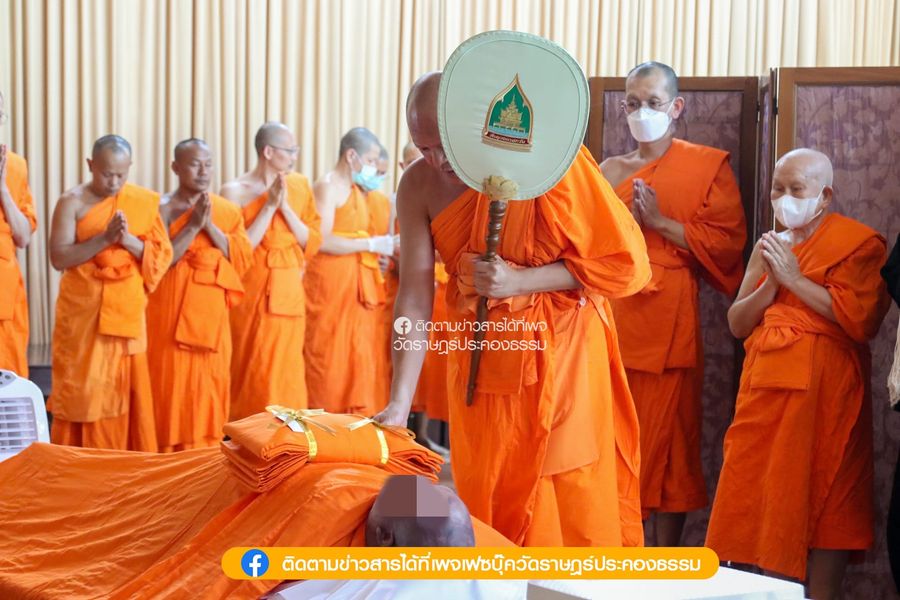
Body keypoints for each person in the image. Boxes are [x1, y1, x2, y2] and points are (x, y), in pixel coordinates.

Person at [375, 72, 651, 547]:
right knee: (490, 495)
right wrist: (400, 403)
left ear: (473, 123)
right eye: (424, 148)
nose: (438, 161)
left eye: (445, 144)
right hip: (481, 368)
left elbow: (626, 266)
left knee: (565, 498)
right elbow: (414, 299)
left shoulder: (546, 164)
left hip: (563, 361)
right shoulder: (418, 185)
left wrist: (523, 281)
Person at [706, 149, 890, 599]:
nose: (784, 198)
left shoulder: (859, 244)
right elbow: (737, 322)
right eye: (778, 188)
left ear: (824, 196)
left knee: (832, 500)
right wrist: (773, 283)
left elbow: (861, 321)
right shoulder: (769, 246)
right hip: (766, 387)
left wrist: (793, 280)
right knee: (757, 492)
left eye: (796, 189)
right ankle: (765, 594)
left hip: (829, 392)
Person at [0, 442, 510, 599]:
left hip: (287, 475)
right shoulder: (324, 525)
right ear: (382, 539)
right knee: (103, 499)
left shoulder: (475, 546)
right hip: (214, 490)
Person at [600, 61, 747, 545]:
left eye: (654, 103)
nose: (642, 112)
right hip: (616, 319)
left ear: (676, 107)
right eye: (633, 103)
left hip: (671, 324)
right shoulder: (609, 171)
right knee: (612, 439)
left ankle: (662, 564)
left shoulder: (705, 166)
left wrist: (661, 224)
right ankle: (619, 548)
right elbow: (587, 243)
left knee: (671, 448)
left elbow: (727, 244)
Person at [48, 135, 173, 450]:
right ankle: (81, 458)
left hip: (125, 311)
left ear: (130, 168)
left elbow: (161, 257)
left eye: (121, 174)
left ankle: (126, 460)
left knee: (125, 387)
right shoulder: (71, 202)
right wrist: (104, 239)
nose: (114, 182)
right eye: (106, 174)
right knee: (85, 389)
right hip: (84, 313)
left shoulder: (142, 202)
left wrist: (126, 239)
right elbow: (59, 257)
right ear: (91, 165)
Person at [146, 139, 253, 451]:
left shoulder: (226, 210)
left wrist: (210, 227)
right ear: (175, 167)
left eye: (208, 164)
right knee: (169, 382)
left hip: (211, 315)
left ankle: (205, 451)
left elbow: (242, 259)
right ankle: (165, 454)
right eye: (195, 164)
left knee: (210, 381)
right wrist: (193, 227)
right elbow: (160, 260)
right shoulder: (160, 209)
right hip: (169, 309)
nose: (203, 171)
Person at [222, 122, 321, 420]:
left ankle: (287, 436)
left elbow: (311, 241)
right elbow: (239, 248)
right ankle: (245, 431)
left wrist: (285, 208)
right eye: (289, 151)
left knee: (286, 369)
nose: (294, 157)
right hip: (250, 291)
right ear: (268, 152)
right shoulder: (234, 191)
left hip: (288, 291)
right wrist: (269, 206)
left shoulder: (299, 186)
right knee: (250, 364)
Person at [304, 127, 398, 414]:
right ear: (351, 155)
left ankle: (352, 423)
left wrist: (377, 249)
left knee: (355, 353)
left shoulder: (358, 192)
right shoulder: (327, 186)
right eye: (369, 160)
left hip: (356, 287)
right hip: (330, 285)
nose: (372, 167)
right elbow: (322, 240)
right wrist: (371, 243)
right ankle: (324, 421)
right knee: (328, 354)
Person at [0, 91, 37, 377]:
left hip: (5, 287)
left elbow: (23, 237)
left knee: (8, 379)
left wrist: (2, 188)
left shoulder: (14, 165)